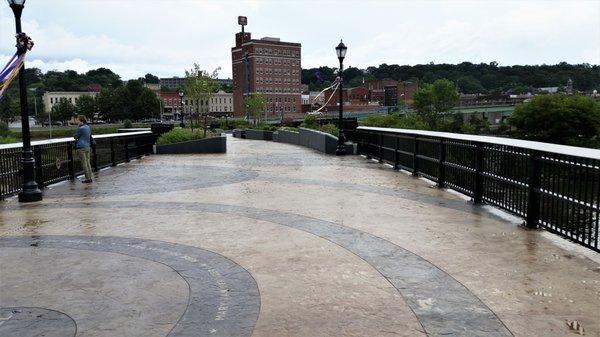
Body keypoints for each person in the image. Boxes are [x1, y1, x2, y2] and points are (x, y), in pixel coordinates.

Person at [74, 115, 93, 183]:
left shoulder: (80, 128)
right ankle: (90, 177)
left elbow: (75, 137)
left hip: (81, 147)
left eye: (77, 120)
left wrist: (78, 127)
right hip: (87, 146)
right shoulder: (88, 127)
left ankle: (87, 178)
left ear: (80, 120)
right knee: (88, 163)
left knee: (84, 164)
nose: (77, 121)